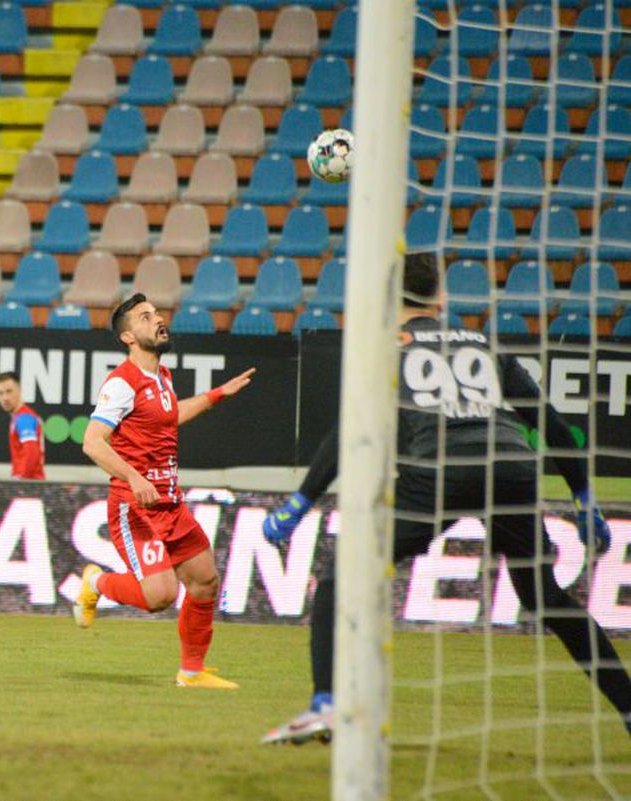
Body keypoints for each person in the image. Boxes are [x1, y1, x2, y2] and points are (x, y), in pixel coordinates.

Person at [259, 251, 631, 744]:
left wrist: (300, 502)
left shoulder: (387, 348)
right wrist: (583, 497)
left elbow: (352, 431)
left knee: (341, 572)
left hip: (439, 468)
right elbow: (552, 425)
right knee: (546, 597)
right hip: (512, 469)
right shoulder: (483, 344)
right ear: (442, 298)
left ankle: (326, 703)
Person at [73, 293, 256, 688]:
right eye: (145, 316)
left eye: (156, 312)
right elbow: (93, 442)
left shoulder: (162, 377)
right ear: (128, 337)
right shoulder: (122, 382)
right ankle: (95, 583)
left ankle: (191, 672)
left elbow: (171, 417)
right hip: (135, 506)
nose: (158, 319)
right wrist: (134, 478)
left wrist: (216, 395)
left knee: (205, 579)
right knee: (160, 595)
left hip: (169, 502)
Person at [0, 372, 46, 480]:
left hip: (29, 487)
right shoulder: (19, 417)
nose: (5, 398)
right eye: (0, 393)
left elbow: (31, 452)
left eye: (9, 391)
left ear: (20, 390)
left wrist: (20, 483)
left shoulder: (24, 418)